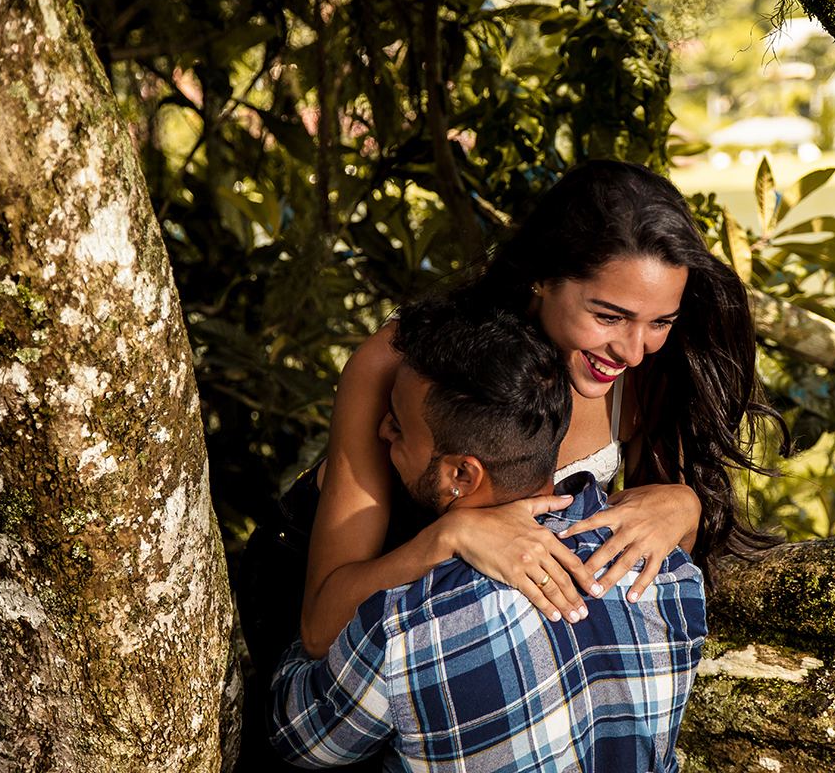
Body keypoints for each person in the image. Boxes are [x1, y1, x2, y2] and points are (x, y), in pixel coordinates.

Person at [298, 159, 780, 662]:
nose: (634, 351)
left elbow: (657, 547)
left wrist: (685, 506)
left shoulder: (649, 374)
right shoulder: (404, 364)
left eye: (660, 321)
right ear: (541, 277)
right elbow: (319, 628)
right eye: (608, 316)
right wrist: (451, 536)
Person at [269, 293, 706, 771]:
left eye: (399, 427)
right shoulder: (672, 579)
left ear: (462, 476)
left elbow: (299, 739)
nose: (382, 432)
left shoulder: (403, 632)